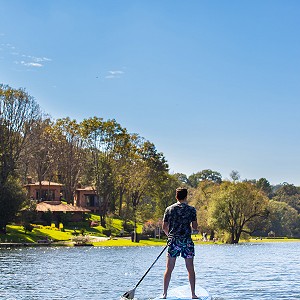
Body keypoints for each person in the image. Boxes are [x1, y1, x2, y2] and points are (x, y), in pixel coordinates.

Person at [162, 187, 199, 299]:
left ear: (176, 196)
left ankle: (164, 294)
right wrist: (196, 228)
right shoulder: (192, 210)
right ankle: (193, 294)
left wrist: (170, 237)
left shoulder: (169, 209)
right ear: (186, 196)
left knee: (169, 268)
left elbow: (164, 227)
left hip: (173, 242)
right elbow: (195, 227)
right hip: (186, 242)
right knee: (190, 268)